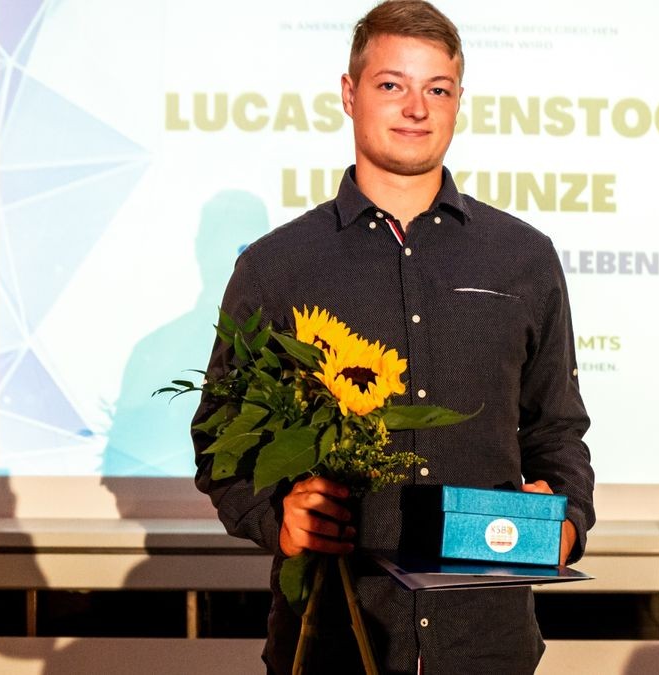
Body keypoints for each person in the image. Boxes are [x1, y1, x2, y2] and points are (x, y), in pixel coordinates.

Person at [192, 2, 595, 672]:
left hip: (487, 645)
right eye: (392, 85)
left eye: (437, 89)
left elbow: (557, 430)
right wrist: (276, 514)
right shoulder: (276, 267)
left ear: (459, 101)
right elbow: (220, 440)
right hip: (332, 643)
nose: (417, 107)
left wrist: (569, 519)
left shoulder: (524, 258)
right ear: (349, 95)